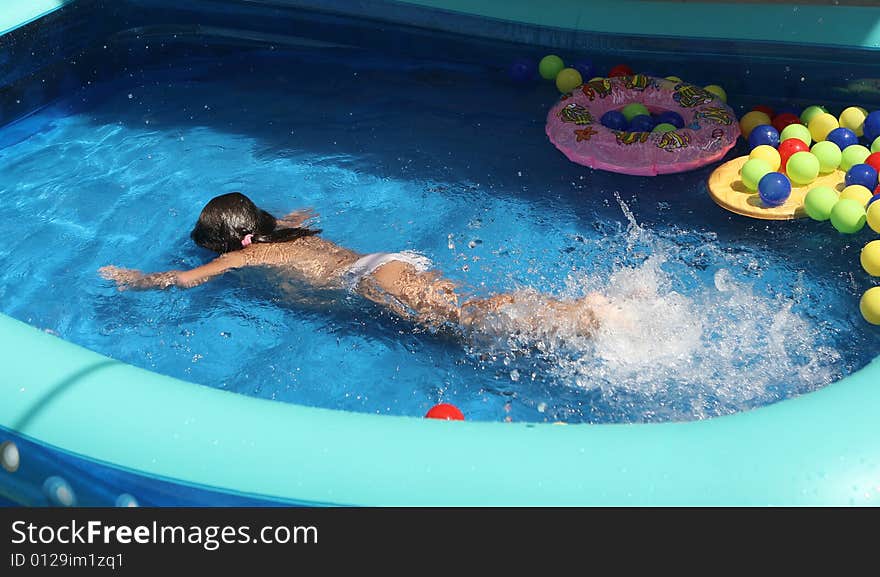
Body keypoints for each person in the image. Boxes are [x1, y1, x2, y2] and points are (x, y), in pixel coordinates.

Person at [100, 192, 620, 337]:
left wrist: (138, 280)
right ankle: (575, 313)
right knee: (459, 312)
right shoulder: (285, 230)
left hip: (368, 278)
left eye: (221, 249)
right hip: (382, 264)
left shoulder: (252, 253)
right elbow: (302, 211)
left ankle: (582, 314)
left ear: (240, 243)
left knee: (468, 315)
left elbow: (187, 278)